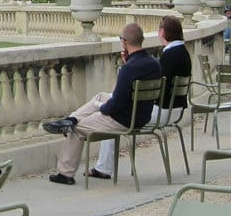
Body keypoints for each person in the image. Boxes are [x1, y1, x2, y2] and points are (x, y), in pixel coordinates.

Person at [43, 22, 161, 185]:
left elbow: (115, 105)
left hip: (122, 120)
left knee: (75, 128)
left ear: (124, 42)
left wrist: (101, 109)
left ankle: (66, 173)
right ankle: (72, 118)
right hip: (141, 117)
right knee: (100, 96)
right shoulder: (155, 64)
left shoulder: (128, 69)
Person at [89, 16, 193, 179]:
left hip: (162, 111)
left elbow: (154, 87)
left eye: (159, 29)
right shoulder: (182, 52)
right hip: (175, 109)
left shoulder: (170, 55)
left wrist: (129, 67)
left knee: (114, 113)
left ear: (163, 32)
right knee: (113, 102)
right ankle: (102, 164)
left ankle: (104, 167)